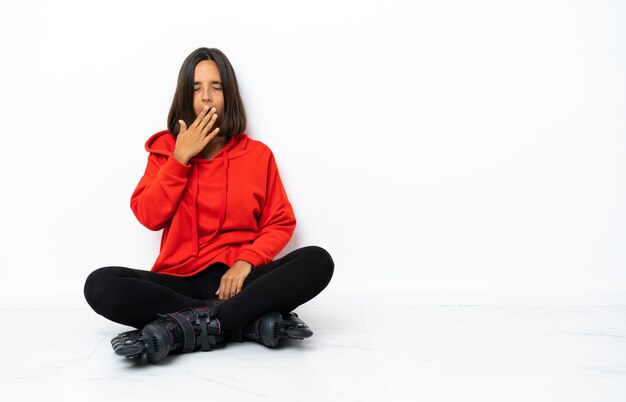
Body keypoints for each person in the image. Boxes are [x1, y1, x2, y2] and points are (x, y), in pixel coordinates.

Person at [83, 47, 334, 364]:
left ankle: (186, 325)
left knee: (317, 261)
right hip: (179, 283)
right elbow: (148, 216)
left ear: (228, 95)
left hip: (239, 281)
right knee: (100, 285)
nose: (206, 97)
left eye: (216, 87)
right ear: (184, 98)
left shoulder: (258, 156)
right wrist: (180, 159)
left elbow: (280, 222)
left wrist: (246, 262)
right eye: (196, 88)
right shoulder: (164, 152)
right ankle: (242, 324)